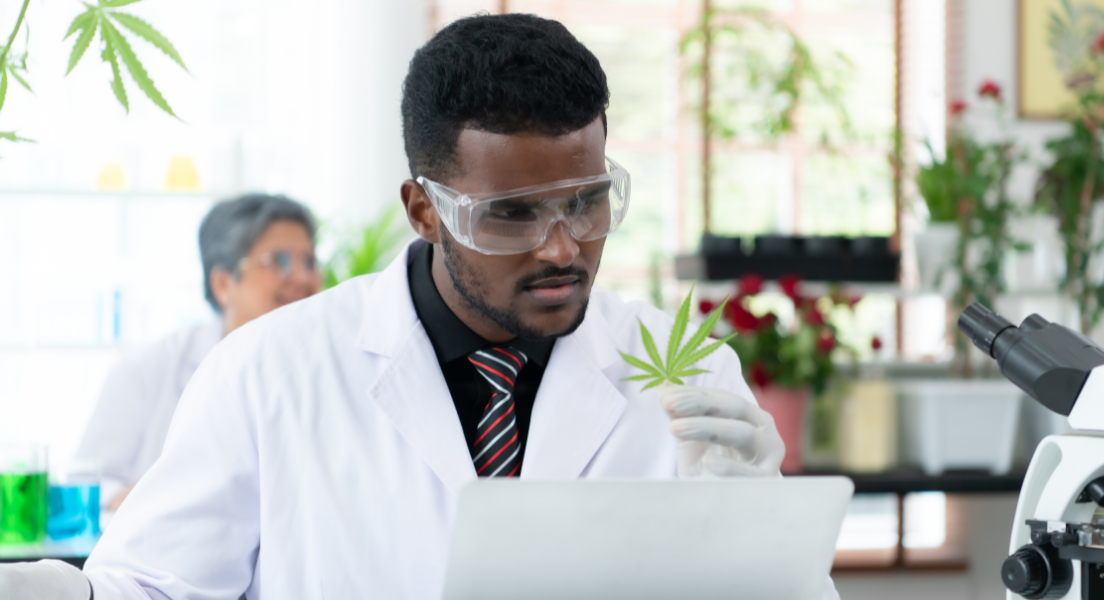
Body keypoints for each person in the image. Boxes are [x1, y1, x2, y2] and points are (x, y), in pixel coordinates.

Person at [0, 14, 839, 599]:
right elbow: (155, 587)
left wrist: (766, 546)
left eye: (586, 202)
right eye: (511, 214)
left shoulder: (684, 367)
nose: (561, 248)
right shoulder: (269, 373)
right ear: (423, 208)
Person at [73, 194, 322, 510]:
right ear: (222, 284)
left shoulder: (325, 370)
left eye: (309, 261)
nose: (302, 278)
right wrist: (158, 499)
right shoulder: (148, 369)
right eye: (278, 261)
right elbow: (90, 485)